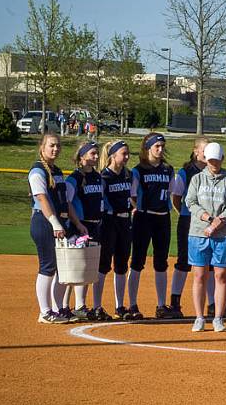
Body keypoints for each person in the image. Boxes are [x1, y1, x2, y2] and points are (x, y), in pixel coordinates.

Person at [28, 132, 87, 324]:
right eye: (51, 145)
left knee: (63, 268)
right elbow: (42, 198)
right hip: (44, 222)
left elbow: (65, 202)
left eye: (57, 146)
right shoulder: (38, 171)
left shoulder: (58, 172)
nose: (55, 149)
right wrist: (54, 223)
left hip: (60, 223)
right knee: (48, 266)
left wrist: (77, 223)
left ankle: (58, 308)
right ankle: (45, 312)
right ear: (42, 148)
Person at [185, 142, 226, 332]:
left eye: (217, 159)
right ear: (206, 160)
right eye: (211, 160)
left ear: (222, 159)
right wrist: (208, 218)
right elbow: (190, 202)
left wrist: (217, 222)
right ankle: (199, 317)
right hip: (199, 233)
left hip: (223, 235)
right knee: (199, 275)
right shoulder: (197, 179)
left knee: (220, 275)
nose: (214, 163)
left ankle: (218, 317)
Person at [129, 132, 177, 321]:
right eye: (156, 146)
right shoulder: (138, 170)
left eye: (162, 146)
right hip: (143, 218)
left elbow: (172, 193)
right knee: (137, 261)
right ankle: (132, 304)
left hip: (162, 219)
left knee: (161, 263)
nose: (160, 149)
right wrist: (136, 209)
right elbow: (132, 194)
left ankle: (160, 305)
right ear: (148, 147)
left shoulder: (168, 169)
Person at [170, 137, 210, 318]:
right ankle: (175, 302)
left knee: (208, 263)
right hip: (188, 220)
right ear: (196, 151)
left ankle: (214, 304)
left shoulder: (213, 170)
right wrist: (185, 214)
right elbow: (176, 197)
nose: (207, 154)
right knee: (184, 261)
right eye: (204, 150)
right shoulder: (185, 172)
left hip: (209, 223)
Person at [66, 142, 107, 320]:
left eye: (97, 154)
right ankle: (64, 306)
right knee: (74, 268)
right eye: (92, 154)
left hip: (95, 225)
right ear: (82, 156)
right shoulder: (74, 178)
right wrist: (77, 223)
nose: (96, 157)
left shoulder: (98, 177)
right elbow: (67, 203)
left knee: (88, 267)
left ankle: (80, 305)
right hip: (80, 225)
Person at [99, 140, 134, 320]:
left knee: (121, 265)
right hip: (109, 223)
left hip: (125, 223)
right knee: (103, 264)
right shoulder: (104, 176)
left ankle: (120, 306)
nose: (127, 157)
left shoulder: (128, 175)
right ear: (113, 155)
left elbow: (133, 197)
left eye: (128, 154)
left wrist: (134, 207)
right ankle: (97, 306)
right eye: (123, 154)